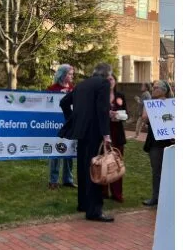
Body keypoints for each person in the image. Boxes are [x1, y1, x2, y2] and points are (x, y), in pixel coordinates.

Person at [59, 64, 115, 223]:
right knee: (96, 169)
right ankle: (94, 211)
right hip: (94, 132)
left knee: (83, 168)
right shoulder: (103, 84)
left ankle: (83, 204)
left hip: (81, 132)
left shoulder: (82, 84)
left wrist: (72, 120)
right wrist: (106, 134)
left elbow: (64, 102)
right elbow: (102, 109)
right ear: (106, 75)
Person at [142, 80, 174, 208]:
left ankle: (170, 196)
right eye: (153, 87)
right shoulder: (150, 104)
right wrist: (149, 107)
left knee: (171, 171)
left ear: (163, 90)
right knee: (157, 170)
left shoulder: (172, 104)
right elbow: (144, 118)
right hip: (155, 142)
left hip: (170, 141)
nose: (153, 90)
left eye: (156, 88)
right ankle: (156, 197)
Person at [48, 65, 75, 189]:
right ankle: (53, 180)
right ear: (63, 74)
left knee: (69, 150)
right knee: (56, 151)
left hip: (69, 124)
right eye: (70, 74)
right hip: (55, 125)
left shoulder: (74, 89)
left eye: (72, 74)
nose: (71, 76)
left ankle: (68, 179)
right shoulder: (52, 88)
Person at [103, 76, 127, 203]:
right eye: (107, 79)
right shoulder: (100, 96)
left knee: (117, 163)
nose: (109, 81)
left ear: (115, 81)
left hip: (117, 132)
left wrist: (118, 116)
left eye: (111, 79)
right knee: (104, 161)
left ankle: (117, 193)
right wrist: (107, 114)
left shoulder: (120, 96)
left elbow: (126, 113)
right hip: (104, 132)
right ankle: (103, 191)